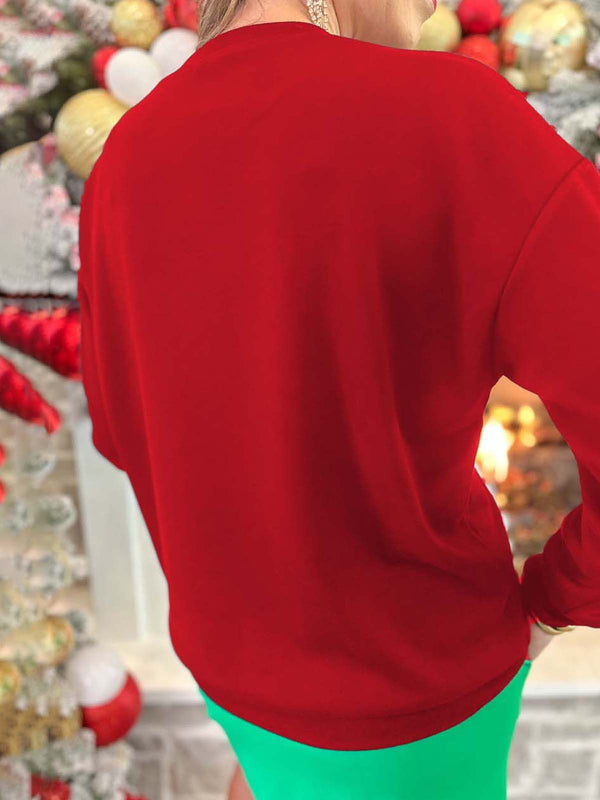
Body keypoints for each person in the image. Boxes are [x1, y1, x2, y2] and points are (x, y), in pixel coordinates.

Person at [77, 0, 600, 796]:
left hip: (231, 675)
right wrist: (561, 596)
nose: (433, 10)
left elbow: (121, 430)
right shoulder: (452, 114)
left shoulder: (125, 155)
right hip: (416, 691)